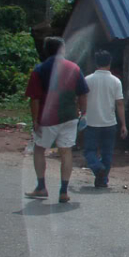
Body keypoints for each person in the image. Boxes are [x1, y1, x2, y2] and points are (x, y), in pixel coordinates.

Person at [24, 37, 89, 203]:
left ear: (46, 50)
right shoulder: (74, 68)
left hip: (47, 118)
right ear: (63, 49)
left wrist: (35, 120)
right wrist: (83, 112)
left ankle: (41, 187)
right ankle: (63, 191)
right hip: (70, 116)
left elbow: (35, 98)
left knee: (39, 149)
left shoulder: (40, 69)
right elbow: (82, 93)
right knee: (66, 151)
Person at [84, 50, 128, 188]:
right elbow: (119, 103)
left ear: (96, 63)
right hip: (109, 123)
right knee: (107, 153)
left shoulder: (87, 80)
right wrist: (123, 124)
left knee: (89, 151)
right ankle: (102, 180)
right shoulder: (116, 81)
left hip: (91, 122)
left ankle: (98, 168)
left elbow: (81, 100)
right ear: (110, 63)